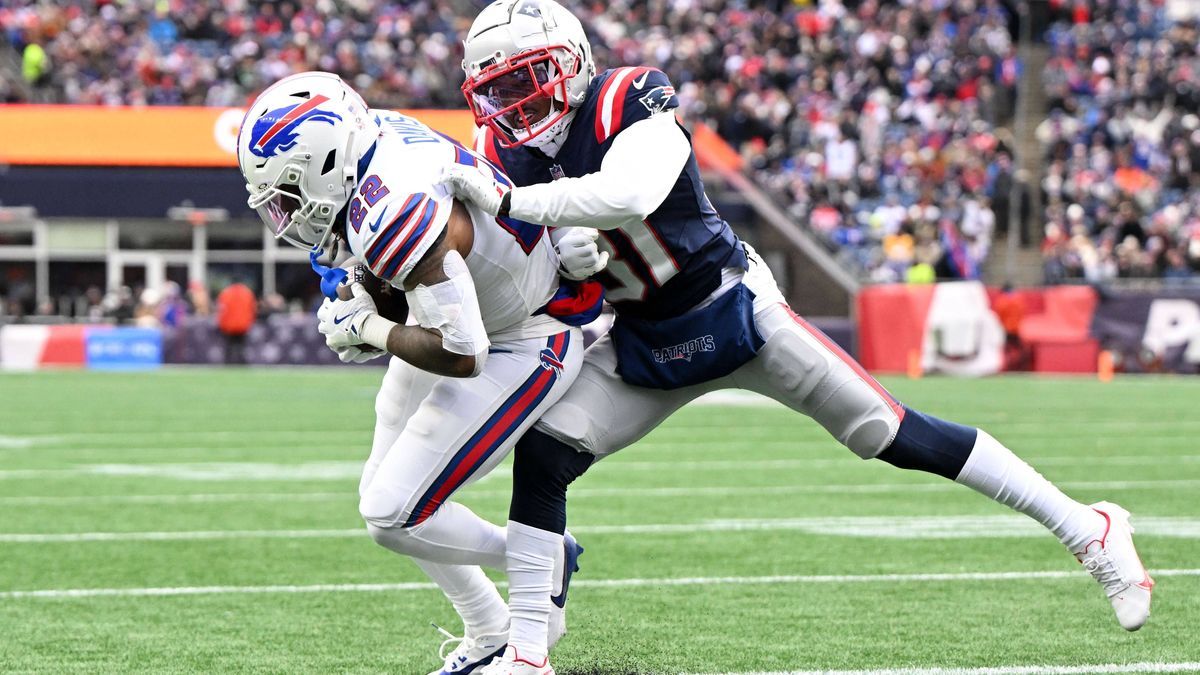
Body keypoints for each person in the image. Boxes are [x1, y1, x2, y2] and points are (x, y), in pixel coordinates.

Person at [439, 2, 1155, 673]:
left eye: (527, 82)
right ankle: (528, 649)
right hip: (642, 342)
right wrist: (564, 265)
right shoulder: (499, 154)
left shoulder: (628, 99)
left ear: (571, 61)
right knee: (545, 450)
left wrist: (515, 202)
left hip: (733, 310)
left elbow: (627, 195)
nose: (515, 108)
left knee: (888, 430)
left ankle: (1089, 527)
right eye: (498, 94)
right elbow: (539, 285)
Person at [236, 71, 607, 675]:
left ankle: (538, 558)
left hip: (526, 339)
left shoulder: (390, 210)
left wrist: (370, 329)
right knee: (380, 496)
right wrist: (360, 291)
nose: (285, 214)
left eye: (288, 193)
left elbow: (464, 354)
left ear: (326, 163)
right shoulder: (371, 148)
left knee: (394, 511)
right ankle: (488, 627)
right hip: (481, 313)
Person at [215, 280, 256, 364]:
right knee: (242, 346)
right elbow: (252, 309)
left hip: (229, 325)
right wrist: (249, 322)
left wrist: (221, 323)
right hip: (243, 324)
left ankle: (228, 362)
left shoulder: (226, 293)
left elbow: (222, 309)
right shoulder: (247, 293)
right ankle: (242, 362)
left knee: (229, 346)